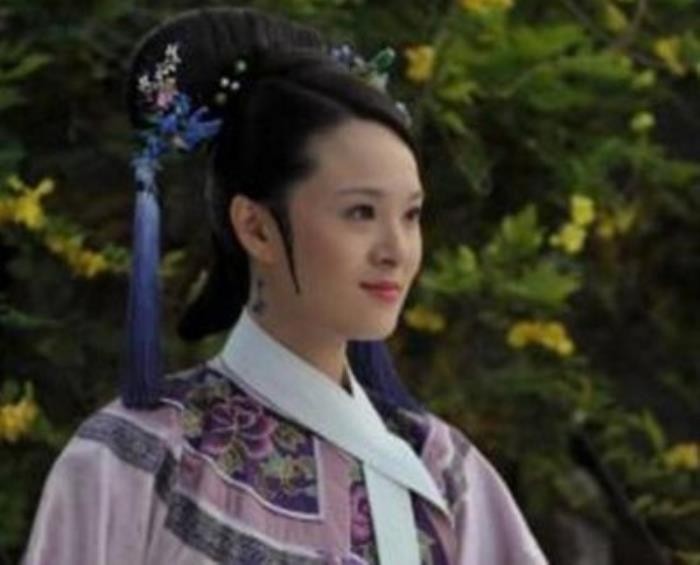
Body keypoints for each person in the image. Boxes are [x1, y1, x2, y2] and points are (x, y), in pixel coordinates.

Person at [21, 7, 548, 564]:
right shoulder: (137, 461)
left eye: (411, 215)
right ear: (256, 228)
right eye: (361, 212)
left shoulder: (443, 474)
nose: (396, 250)